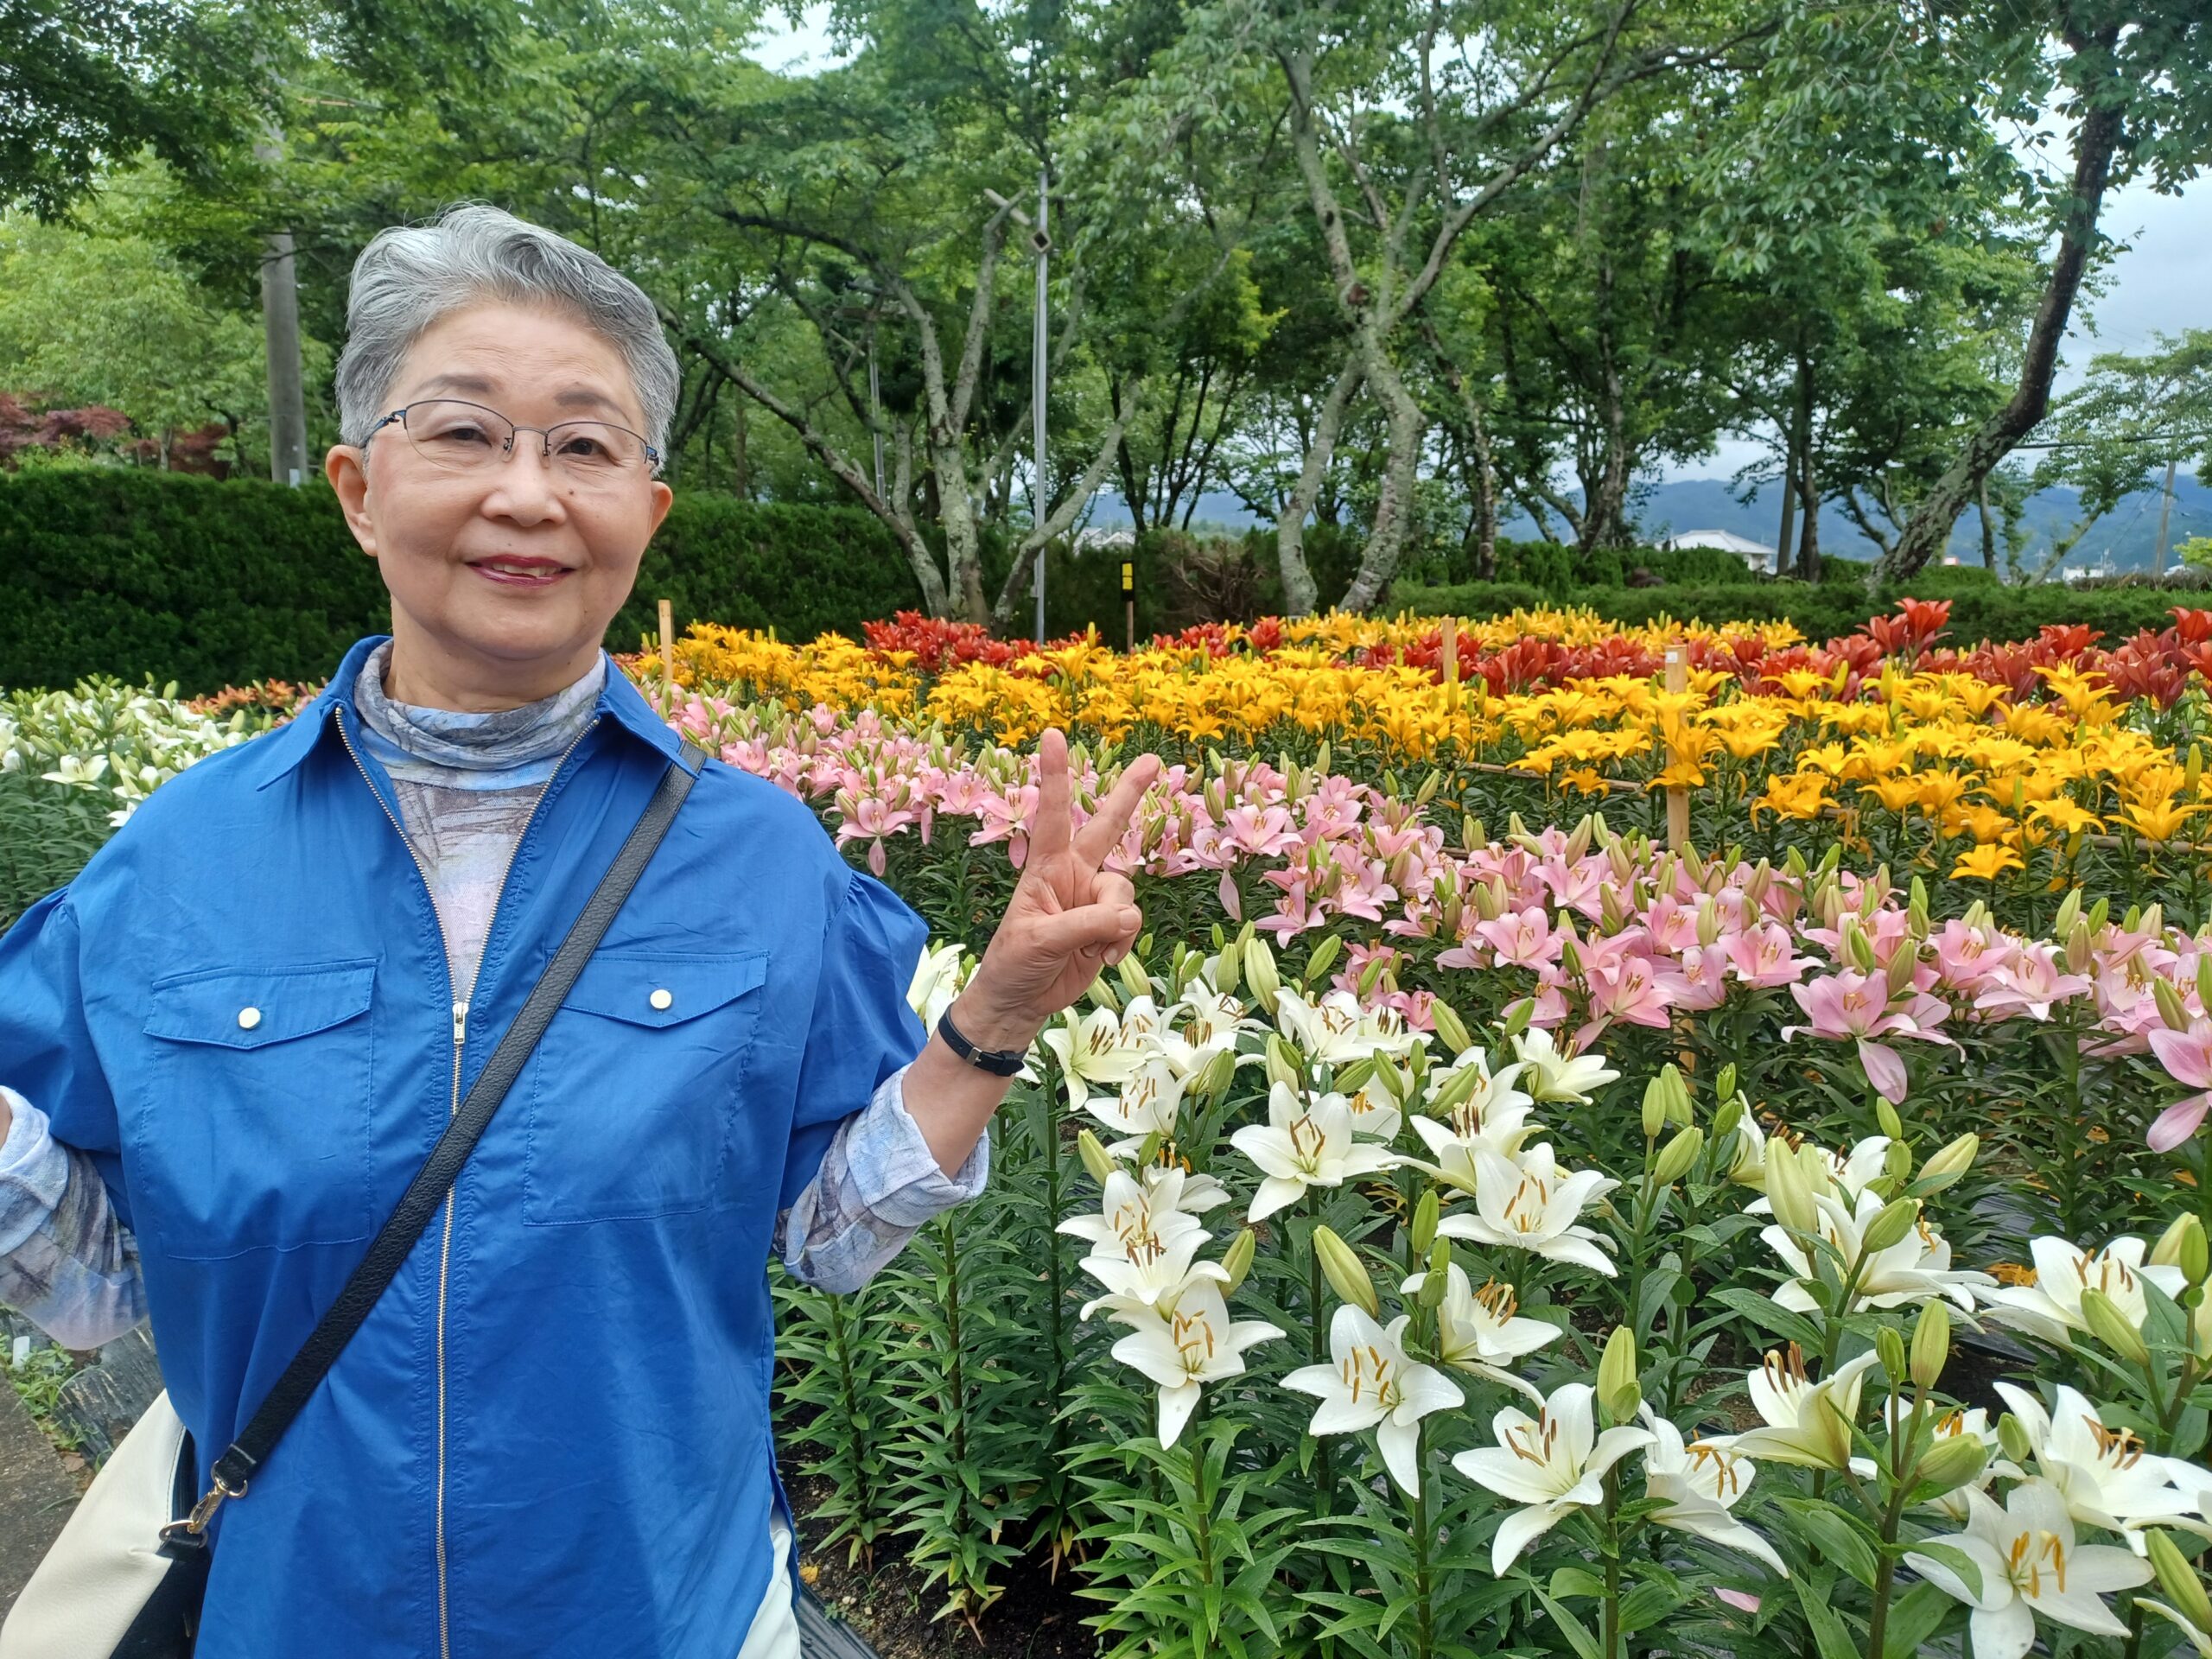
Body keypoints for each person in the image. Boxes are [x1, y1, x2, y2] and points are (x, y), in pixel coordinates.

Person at [0, 203, 1157, 1658]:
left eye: (586, 445)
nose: (529, 495)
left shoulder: (761, 858)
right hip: (300, 1613)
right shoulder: (177, 859)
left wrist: (997, 1015)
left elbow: (824, 1232)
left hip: (662, 1611)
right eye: (466, 433)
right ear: (360, 488)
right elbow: (98, 1277)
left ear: (649, 515)